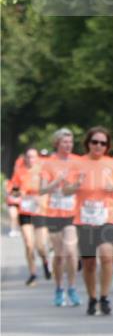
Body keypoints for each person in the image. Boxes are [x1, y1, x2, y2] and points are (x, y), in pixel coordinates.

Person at [64, 126, 113, 316]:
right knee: (89, 262)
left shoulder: (112, 164)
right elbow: (65, 190)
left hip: (108, 214)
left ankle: (104, 296)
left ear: (107, 146)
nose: (98, 146)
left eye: (103, 143)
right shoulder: (77, 164)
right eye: (95, 142)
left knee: (107, 254)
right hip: (84, 217)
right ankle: (92, 297)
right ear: (88, 143)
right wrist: (75, 185)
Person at [40, 128, 81, 307]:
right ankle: (58, 288)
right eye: (64, 142)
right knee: (59, 256)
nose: (68, 145)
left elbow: (81, 186)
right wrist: (58, 181)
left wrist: (74, 185)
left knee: (71, 253)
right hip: (54, 213)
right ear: (57, 143)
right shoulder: (48, 164)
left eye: (70, 142)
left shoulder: (78, 162)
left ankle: (71, 287)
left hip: (72, 213)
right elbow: (42, 189)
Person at [12, 147, 51, 285]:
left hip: (39, 211)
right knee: (29, 244)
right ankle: (33, 273)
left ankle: (45, 261)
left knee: (40, 246)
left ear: (37, 158)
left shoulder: (42, 171)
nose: (31, 160)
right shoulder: (20, 172)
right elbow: (14, 190)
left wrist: (40, 197)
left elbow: (46, 189)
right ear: (25, 158)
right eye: (28, 157)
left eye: (33, 157)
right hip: (25, 211)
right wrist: (19, 194)